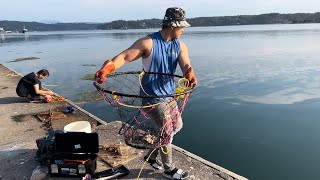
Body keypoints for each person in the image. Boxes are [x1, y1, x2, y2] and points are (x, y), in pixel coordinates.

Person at [95, 7, 197, 179]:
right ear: (172, 25)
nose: (183, 30)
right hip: (152, 97)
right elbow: (125, 57)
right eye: (181, 27)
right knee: (166, 132)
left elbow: (186, 64)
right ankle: (169, 169)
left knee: (177, 126)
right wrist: (108, 68)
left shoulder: (180, 46)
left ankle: (150, 156)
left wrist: (189, 73)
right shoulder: (148, 43)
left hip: (169, 96)